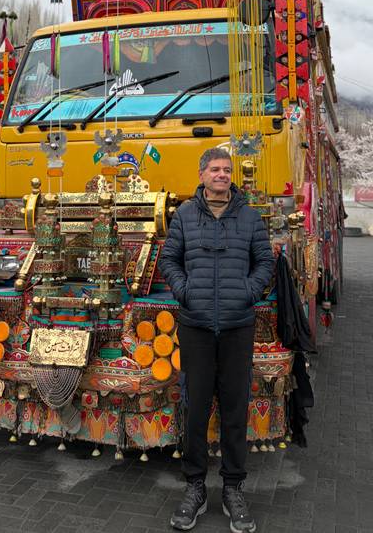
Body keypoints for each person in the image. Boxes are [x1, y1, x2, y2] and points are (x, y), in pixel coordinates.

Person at [159, 147, 274, 532]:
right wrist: (185, 290)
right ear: (202, 174)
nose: (221, 175)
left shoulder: (251, 217)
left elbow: (265, 262)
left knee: (235, 409)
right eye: (214, 169)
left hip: (238, 325)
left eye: (226, 170)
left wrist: (248, 291)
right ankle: (194, 487)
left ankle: (232, 488)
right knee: (195, 409)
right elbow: (169, 259)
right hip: (195, 326)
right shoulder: (185, 217)